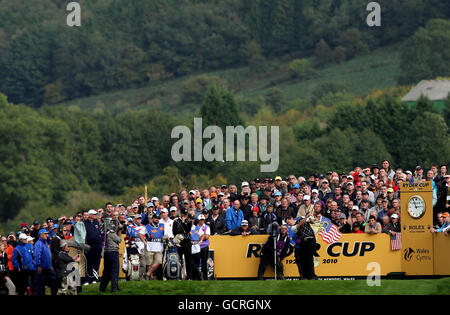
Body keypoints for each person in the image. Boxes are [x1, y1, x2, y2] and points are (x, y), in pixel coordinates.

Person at [291, 213, 317, 280]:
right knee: (305, 260)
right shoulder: (293, 228)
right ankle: (306, 276)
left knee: (310, 259)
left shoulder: (305, 221)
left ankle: (311, 275)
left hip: (311, 240)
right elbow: (299, 224)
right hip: (303, 242)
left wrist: (309, 218)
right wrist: (306, 217)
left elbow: (313, 222)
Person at [34, 229, 57, 296]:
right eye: (45, 233)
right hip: (42, 268)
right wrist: (38, 266)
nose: (47, 235)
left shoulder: (45, 242)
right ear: (41, 235)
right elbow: (37, 255)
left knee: (54, 281)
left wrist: (50, 265)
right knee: (40, 286)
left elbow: (48, 255)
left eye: (47, 233)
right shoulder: (38, 243)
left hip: (48, 267)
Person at [83, 209, 103, 285]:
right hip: (89, 246)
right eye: (94, 214)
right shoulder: (84, 223)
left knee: (96, 262)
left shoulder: (96, 222)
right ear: (90, 215)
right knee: (89, 263)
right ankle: (88, 279)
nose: (95, 215)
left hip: (97, 246)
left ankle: (95, 278)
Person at [189, 215, 210, 280]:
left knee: (204, 263)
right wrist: (198, 238)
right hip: (196, 246)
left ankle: (205, 277)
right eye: (200, 220)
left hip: (204, 246)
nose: (202, 221)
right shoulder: (195, 227)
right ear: (198, 220)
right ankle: (196, 277)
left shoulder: (206, 227)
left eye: (203, 220)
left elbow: (206, 236)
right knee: (195, 263)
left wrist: (199, 239)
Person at [144, 215, 165, 280]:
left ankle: (148, 273)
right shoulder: (147, 226)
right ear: (152, 219)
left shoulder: (162, 225)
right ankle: (150, 278)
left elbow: (166, 234)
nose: (157, 219)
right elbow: (141, 234)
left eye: (158, 218)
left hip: (159, 247)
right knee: (149, 263)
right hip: (150, 246)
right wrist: (144, 242)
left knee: (159, 261)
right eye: (155, 218)